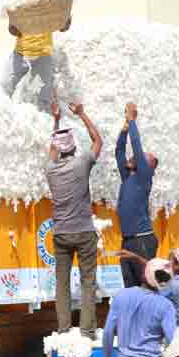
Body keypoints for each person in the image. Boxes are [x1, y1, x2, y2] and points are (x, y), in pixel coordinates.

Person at [46, 102, 104, 339]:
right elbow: (98, 141)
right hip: (83, 231)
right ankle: (87, 330)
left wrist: (56, 120)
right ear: (73, 148)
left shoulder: (50, 169)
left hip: (61, 233)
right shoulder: (81, 164)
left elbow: (51, 148)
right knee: (87, 281)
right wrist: (81, 114)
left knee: (62, 283)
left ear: (59, 150)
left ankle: (63, 328)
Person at [116, 102, 159, 288]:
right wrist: (124, 130)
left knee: (146, 284)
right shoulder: (128, 177)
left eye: (141, 158)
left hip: (142, 238)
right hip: (128, 239)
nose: (134, 157)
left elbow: (136, 145)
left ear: (147, 166)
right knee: (130, 286)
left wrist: (132, 121)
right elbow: (119, 152)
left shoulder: (144, 177)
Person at [121, 247, 179, 326]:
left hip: (176, 329)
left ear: (177, 265)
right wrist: (136, 257)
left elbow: (152, 299)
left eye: (169, 261)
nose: (167, 264)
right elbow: (152, 266)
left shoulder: (171, 286)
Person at [1, 20, 61, 112]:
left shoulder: (52, 6)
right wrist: (12, 26)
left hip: (42, 55)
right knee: (4, 86)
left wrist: (65, 22)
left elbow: (63, 27)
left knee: (42, 98)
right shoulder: (22, 5)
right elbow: (12, 25)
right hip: (20, 52)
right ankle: (2, 117)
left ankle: (43, 123)